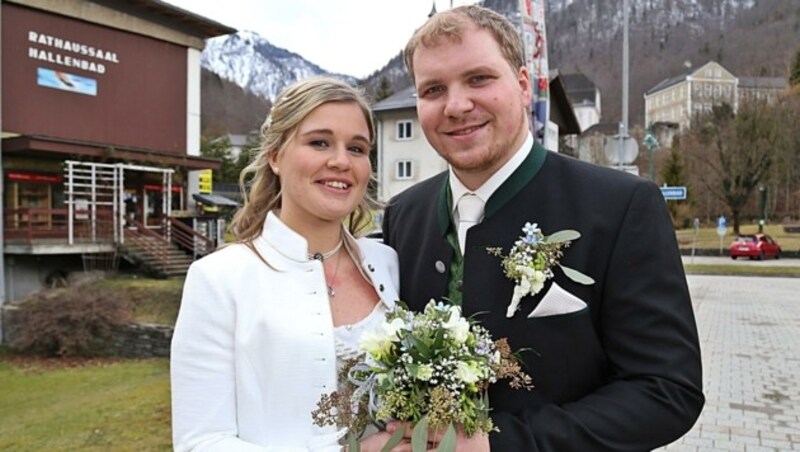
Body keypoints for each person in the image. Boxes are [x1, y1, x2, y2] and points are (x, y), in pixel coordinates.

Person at [382, 5, 704, 451]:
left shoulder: (620, 206)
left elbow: (667, 390)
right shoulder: (403, 215)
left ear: (520, 85)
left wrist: (500, 445)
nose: (456, 105)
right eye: (433, 89)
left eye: (478, 79)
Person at [171, 77, 402, 451]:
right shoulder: (219, 279)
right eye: (319, 142)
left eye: (357, 148)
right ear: (276, 156)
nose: (341, 161)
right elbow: (201, 442)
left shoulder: (386, 263)